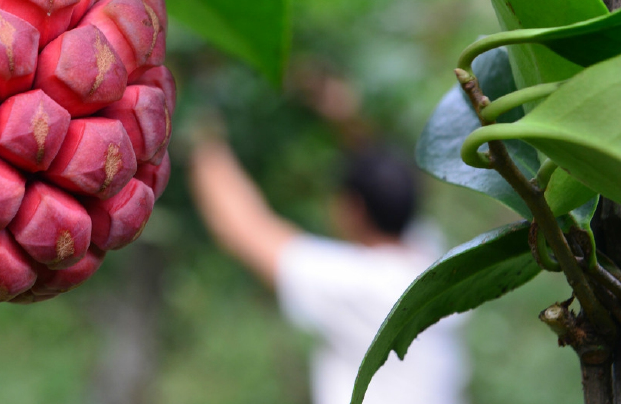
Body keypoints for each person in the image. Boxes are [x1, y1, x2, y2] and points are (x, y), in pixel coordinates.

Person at [188, 132, 468, 404]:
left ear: (354, 209)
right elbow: (383, 171)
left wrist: (203, 138)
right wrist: (343, 119)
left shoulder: (363, 287)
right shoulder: (428, 253)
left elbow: (244, 230)